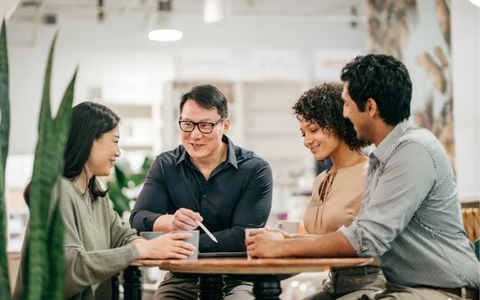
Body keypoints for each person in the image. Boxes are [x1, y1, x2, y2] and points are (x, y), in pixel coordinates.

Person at [246, 54, 480, 300]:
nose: (344, 114)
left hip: (445, 291)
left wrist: (284, 245)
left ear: (370, 107)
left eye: (346, 104)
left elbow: (366, 239)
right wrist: (286, 239)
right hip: (401, 290)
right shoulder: (384, 156)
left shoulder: (413, 149)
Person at [14, 102, 196, 300]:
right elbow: (68, 268)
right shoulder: (57, 190)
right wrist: (138, 249)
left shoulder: (96, 192)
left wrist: (149, 245)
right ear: (90, 140)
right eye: (115, 141)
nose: (118, 152)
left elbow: (120, 235)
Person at [130, 84, 273, 300]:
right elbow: (138, 219)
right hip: (181, 277)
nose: (194, 135)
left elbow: (243, 236)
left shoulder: (254, 169)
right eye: (187, 124)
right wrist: (169, 223)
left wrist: (178, 242)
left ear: (225, 125)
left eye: (205, 125)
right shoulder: (165, 165)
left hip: (235, 279)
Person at [292, 83, 385, 299]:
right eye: (303, 133)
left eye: (313, 130)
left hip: (371, 286)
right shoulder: (320, 181)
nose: (307, 141)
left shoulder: (373, 173)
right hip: (333, 285)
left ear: (338, 122)